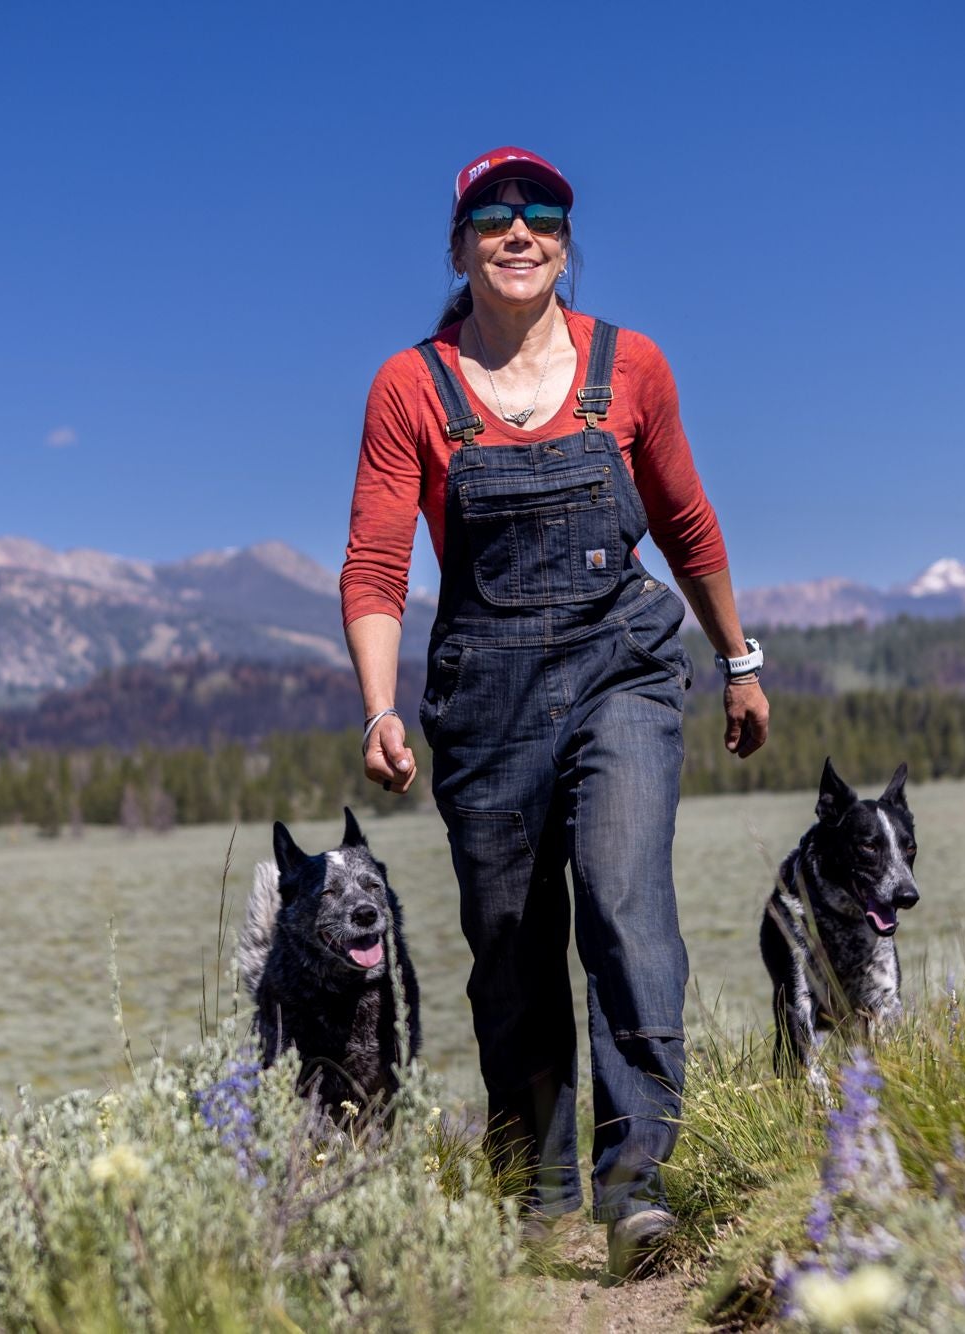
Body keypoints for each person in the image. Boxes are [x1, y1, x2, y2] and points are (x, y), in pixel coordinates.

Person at [338, 146, 769, 1279]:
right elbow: (376, 565)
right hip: (482, 696)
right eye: (493, 214)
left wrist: (736, 658)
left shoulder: (631, 368)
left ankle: (638, 1188)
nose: (518, 229)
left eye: (541, 214)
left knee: (625, 903)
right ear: (459, 241)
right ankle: (539, 1192)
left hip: (622, 666)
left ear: (565, 243)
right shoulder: (409, 387)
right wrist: (377, 706)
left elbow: (685, 523)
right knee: (511, 945)